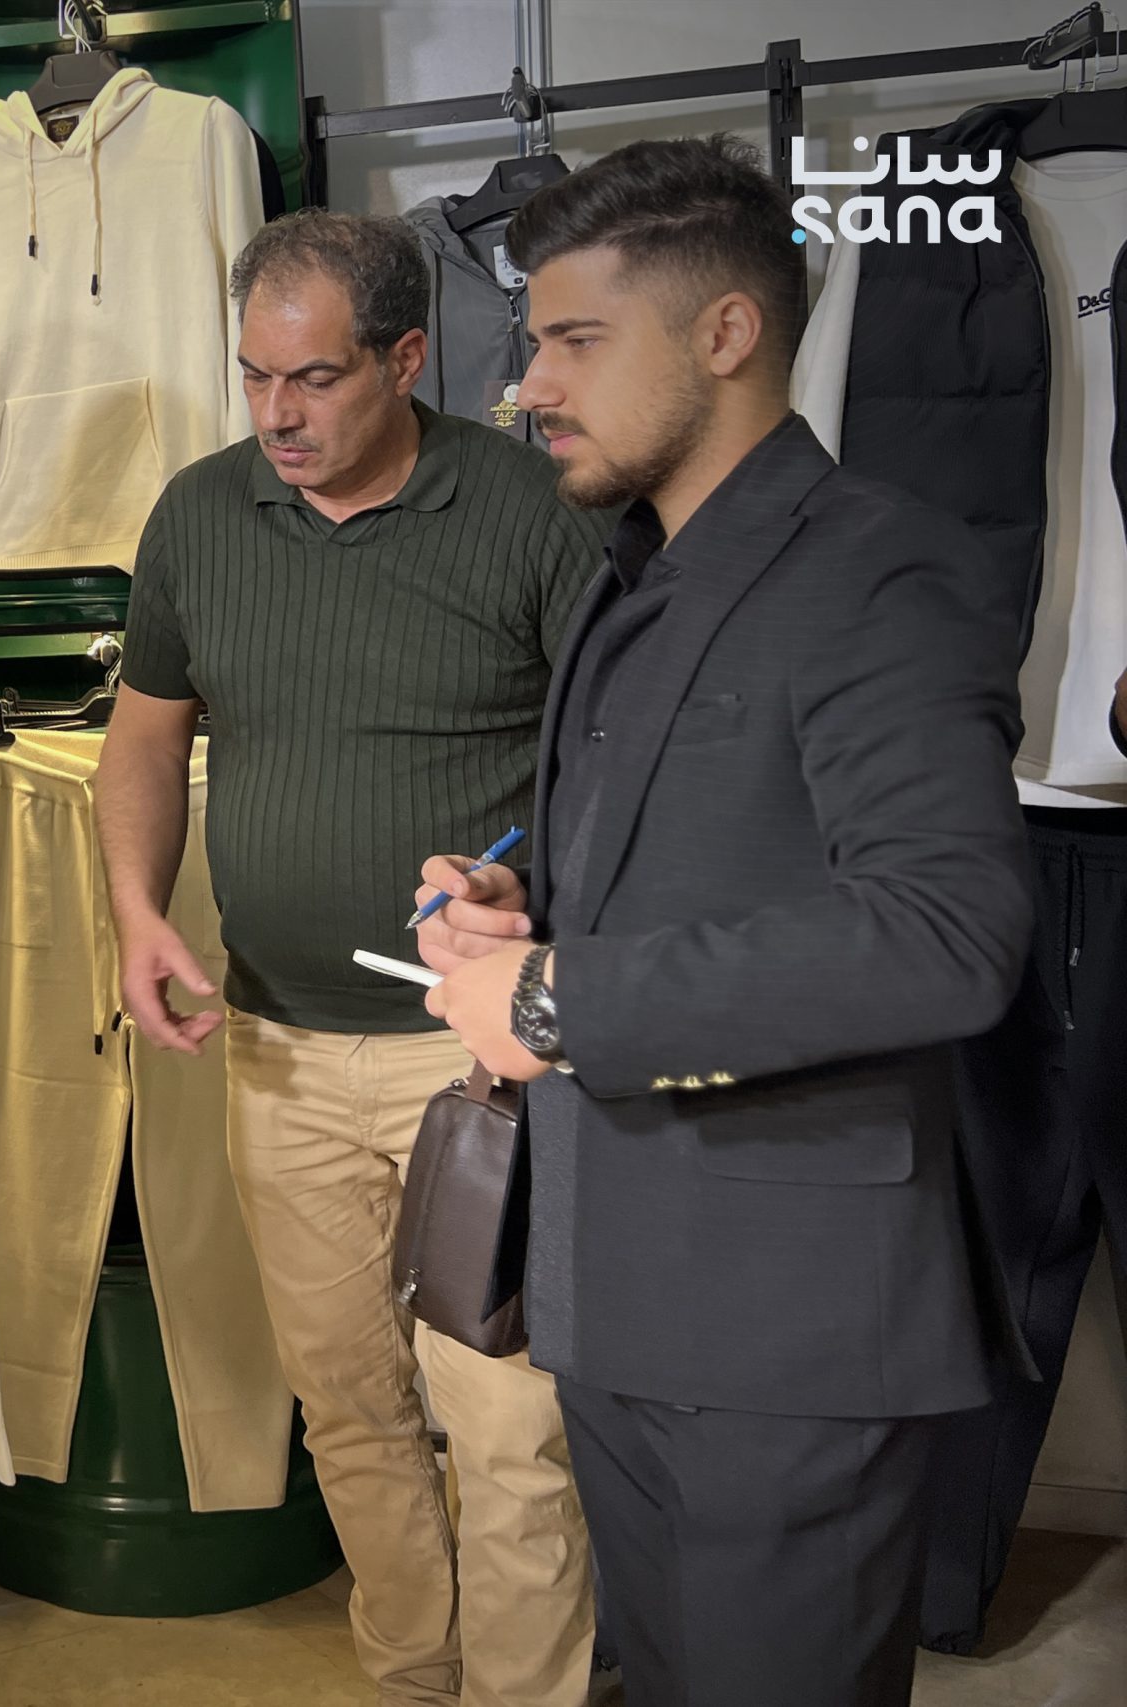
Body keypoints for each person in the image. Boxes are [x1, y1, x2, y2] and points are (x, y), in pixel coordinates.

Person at [415, 135, 1033, 1707]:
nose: (529, 387)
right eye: (534, 342)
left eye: (574, 340)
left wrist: (556, 1003)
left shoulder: (883, 570)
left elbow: (946, 930)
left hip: (785, 1327)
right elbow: (711, 860)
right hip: (614, 1288)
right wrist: (526, 909)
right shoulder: (633, 575)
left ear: (727, 332)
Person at [95, 208, 605, 1707]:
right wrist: (136, 909)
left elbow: (619, 763)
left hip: (480, 1055)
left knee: (510, 1430)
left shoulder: (534, 509)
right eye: (254, 376)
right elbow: (145, 739)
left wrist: (520, 878)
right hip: (276, 1048)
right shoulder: (200, 516)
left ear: (406, 358)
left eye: (313, 379)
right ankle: (411, 1676)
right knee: (349, 1409)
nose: (277, 414)